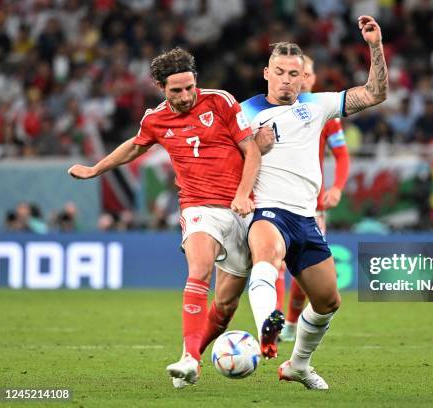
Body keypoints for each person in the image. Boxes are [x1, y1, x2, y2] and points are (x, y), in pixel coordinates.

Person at [68, 47, 272, 389]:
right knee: (199, 270)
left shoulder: (221, 101)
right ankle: (190, 359)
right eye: (176, 90)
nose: (185, 96)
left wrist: (241, 194)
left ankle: (193, 351)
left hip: (240, 208)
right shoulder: (156, 119)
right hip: (197, 208)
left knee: (224, 305)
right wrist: (95, 169)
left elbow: (250, 149)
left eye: (189, 87)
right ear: (160, 88)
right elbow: (135, 146)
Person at [240, 15, 387, 389]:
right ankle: (266, 330)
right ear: (266, 73)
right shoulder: (243, 113)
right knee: (267, 259)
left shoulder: (318, 105)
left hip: (307, 217)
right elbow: (222, 161)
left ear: (303, 75)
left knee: (328, 301)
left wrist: (374, 46)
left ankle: (298, 365)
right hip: (266, 211)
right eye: (280, 71)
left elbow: (374, 94)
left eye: (294, 72)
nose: (288, 79)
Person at [279, 54, 351, 343]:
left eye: (307, 74)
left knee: (304, 266)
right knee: (270, 263)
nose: (303, 79)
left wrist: (337, 188)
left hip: (312, 204)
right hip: (273, 200)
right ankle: (272, 319)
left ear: (313, 78)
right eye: (297, 74)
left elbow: (342, 155)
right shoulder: (268, 110)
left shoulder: (324, 115)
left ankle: (291, 321)